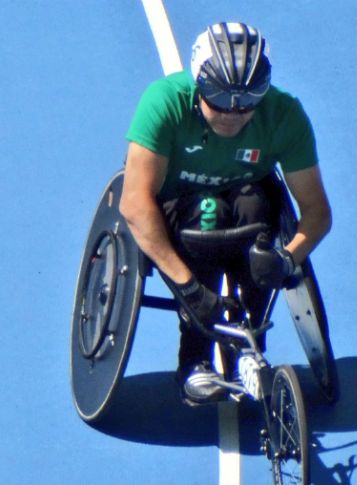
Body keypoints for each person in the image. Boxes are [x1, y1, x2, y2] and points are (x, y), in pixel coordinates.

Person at [119, 22, 332, 405]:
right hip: (180, 208)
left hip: (248, 204)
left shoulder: (285, 115)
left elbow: (317, 212)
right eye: (220, 95)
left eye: (250, 97)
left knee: (254, 209)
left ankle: (246, 350)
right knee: (208, 213)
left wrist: (287, 259)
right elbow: (134, 204)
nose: (234, 111)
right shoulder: (164, 103)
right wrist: (189, 289)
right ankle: (194, 359)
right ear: (200, 81)